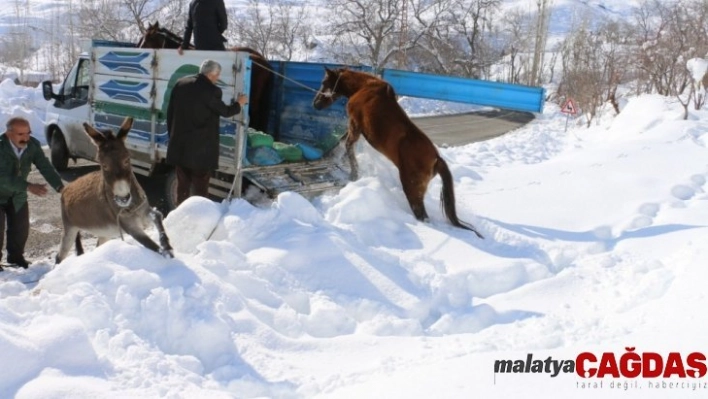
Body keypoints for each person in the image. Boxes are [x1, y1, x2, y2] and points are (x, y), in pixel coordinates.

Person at [166, 59, 248, 206]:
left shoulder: (180, 84)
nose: (217, 79)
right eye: (217, 76)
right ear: (211, 74)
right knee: (200, 190)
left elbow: (170, 113)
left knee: (182, 187)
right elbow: (226, 111)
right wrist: (239, 104)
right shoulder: (211, 91)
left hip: (179, 147)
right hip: (200, 152)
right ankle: (199, 219)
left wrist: (173, 137)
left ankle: (180, 216)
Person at [0, 117, 64, 268]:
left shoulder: (32, 145)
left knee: (20, 229)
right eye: (20, 134)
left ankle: (16, 257)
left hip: (18, 195)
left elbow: (45, 167)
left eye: (28, 133)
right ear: (9, 134)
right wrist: (29, 186)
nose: (26, 138)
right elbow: (3, 178)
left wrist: (60, 187)